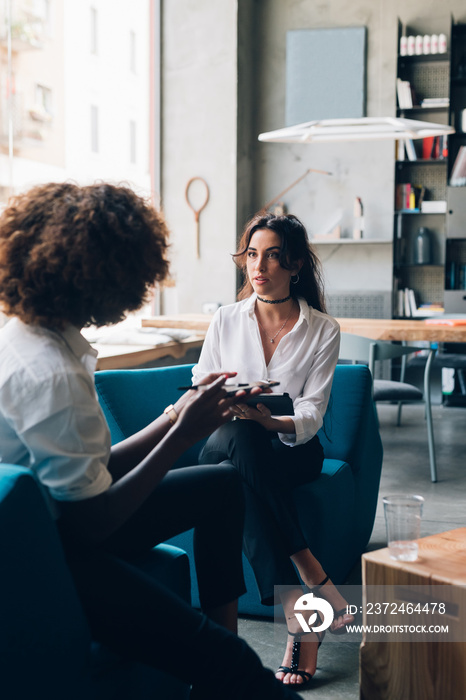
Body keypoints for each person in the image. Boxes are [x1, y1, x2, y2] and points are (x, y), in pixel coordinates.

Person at [0, 182, 302, 700]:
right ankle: (218, 655)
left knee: (222, 484)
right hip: (51, 551)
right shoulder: (51, 373)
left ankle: (220, 636)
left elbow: (92, 471)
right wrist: (182, 433)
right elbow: (91, 523)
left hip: (53, 519)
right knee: (231, 663)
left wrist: (175, 416)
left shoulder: (24, 336)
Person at [192, 212, 355, 688]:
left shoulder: (323, 328)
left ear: (296, 263)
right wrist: (234, 398)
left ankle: (300, 601)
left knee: (245, 456)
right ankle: (306, 589)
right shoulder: (225, 318)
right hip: (228, 438)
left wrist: (270, 419)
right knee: (240, 441)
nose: (258, 266)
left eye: (272, 256)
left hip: (290, 446)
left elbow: (312, 412)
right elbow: (201, 381)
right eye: (251, 255)